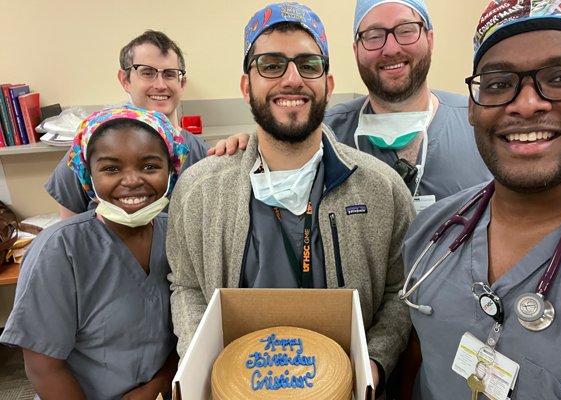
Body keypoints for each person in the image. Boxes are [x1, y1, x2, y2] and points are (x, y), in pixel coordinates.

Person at [166, 3, 415, 398]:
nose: (292, 79)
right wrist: (200, 362)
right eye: (271, 65)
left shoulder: (381, 190)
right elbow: (187, 286)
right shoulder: (200, 191)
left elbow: (401, 291)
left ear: (328, 85)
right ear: (247, 86)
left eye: (309, 65)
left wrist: (374, 363)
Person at [401, 1, 561, 398]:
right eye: (497, 83)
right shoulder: (429, 235)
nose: (526, 104)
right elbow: (421, 356)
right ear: (473, 107)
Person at [210, 0, 492, 209]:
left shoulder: (480, 123)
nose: (391, 48)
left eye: (406, 30)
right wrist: (250, 145)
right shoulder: (324, 132)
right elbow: (281, 144)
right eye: (373, 35)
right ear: (356, 51)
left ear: (429, 39)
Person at [0, 105, 189, 400]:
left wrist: (155, 387)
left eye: (149, 166)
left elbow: (187, 331)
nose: (132, 180)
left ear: (172, 169)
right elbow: (43, 369)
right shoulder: (59, 250)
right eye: (112, 168)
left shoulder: (179, 234)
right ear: (88, 175)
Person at [45, 30, 211, 219]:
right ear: (125, 80)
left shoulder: (201, 155)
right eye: (147, 73)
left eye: (169, 74)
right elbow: (71, 231)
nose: (160, 85)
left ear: (182, 84)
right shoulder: (91, 146)